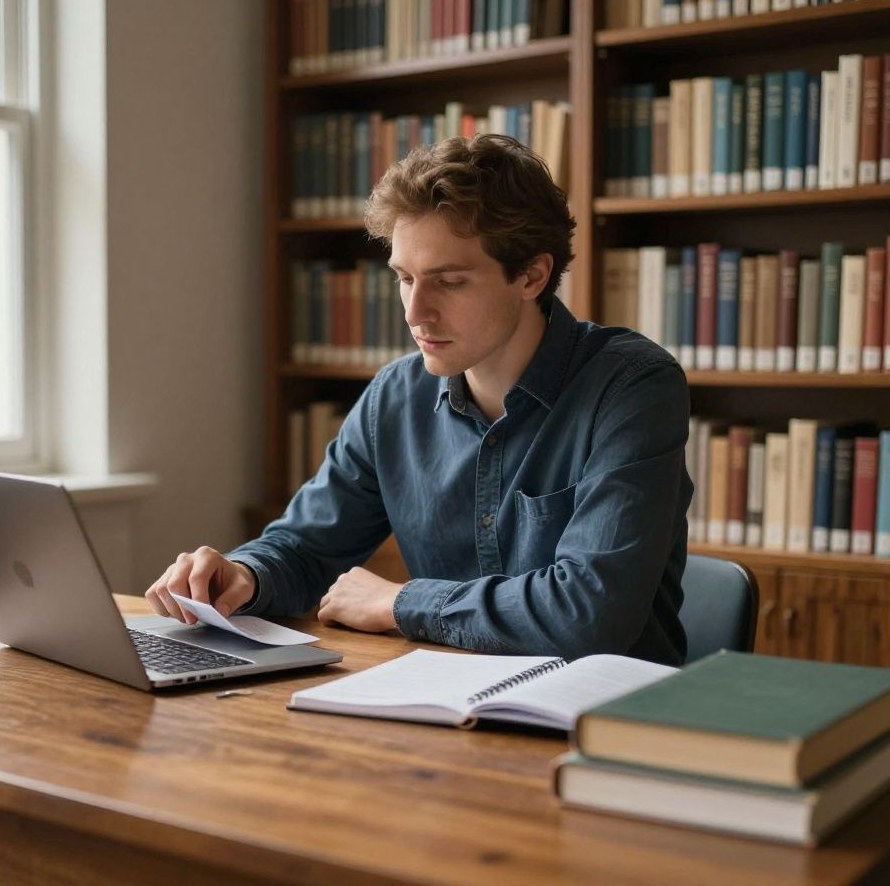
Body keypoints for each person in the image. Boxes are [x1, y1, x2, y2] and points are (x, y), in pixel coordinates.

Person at [146, 134, 693, 664]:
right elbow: (307, 548)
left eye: (448, 282)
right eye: (404, 278)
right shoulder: (396, 397)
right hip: (450, 713)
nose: (414, 312)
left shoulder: (632, 387)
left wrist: (399, 602)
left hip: (605, 727)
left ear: (531, 275)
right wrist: (246, 575)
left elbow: (591, 611)